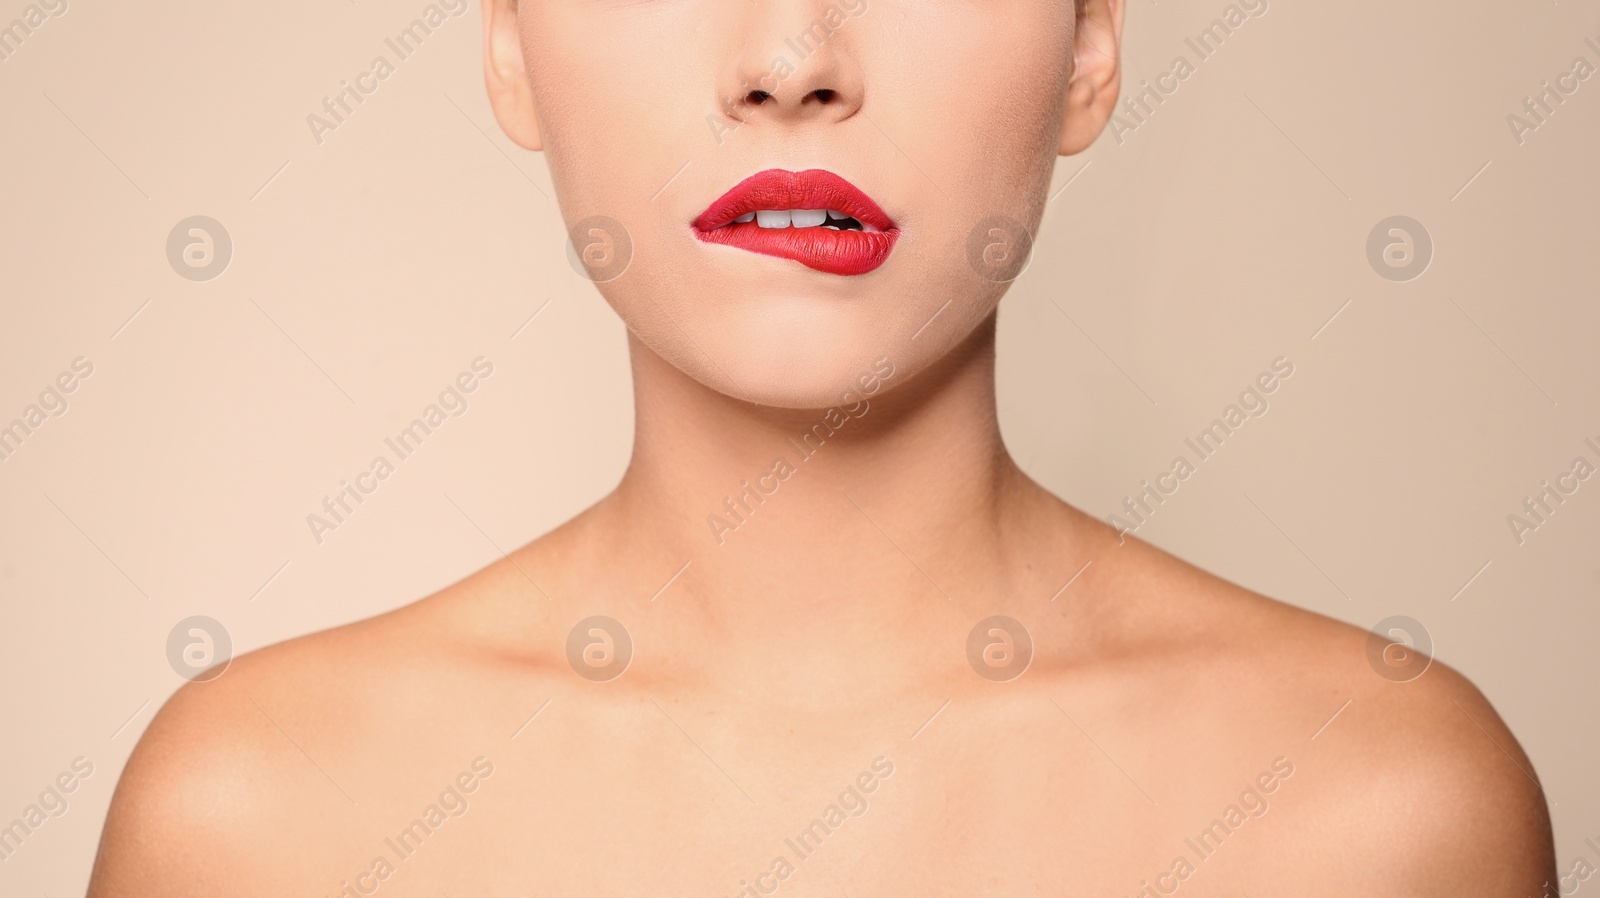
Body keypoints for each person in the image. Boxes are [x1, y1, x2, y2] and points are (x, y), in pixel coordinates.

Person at [88, 0, 1555, 894]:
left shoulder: (1380, 811)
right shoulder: (253, 822)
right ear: (508, 47)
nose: (791, 62)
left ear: (1092, 47)